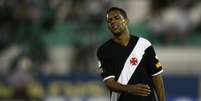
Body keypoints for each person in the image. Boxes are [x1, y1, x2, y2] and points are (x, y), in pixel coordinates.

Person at [96, 7, 165, 101]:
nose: (112, 22)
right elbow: (109, 83)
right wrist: (130, 89)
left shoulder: (144, 44)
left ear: (126, 21)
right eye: (109, 20)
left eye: (117, 18)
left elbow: (156, 77)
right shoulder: (104, 50)